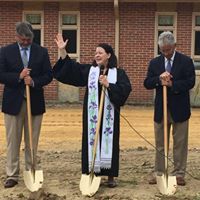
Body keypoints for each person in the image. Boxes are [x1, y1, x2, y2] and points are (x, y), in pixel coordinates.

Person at [53, 34, 132, 187]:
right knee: (91, 139)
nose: (96, 55)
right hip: (92, 115)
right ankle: (91, 171)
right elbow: (72, 70)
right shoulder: (91, 71)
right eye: (95, 53)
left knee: (110, 141)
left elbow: (125, 90)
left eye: (100, 52)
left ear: (109, 55)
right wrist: (63, 51)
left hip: (110, 117)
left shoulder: (119, 73)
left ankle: (110, 175)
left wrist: (109, 85)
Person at [0, 21, 53, 188]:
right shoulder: (5, 52)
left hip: (35, 102)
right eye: (22, 39)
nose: (25, 42)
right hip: (13, 103)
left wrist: (34, 81)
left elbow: (48, 75)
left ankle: (31, 170)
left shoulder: (41, 52)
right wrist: (19, 76)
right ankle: (12, 175)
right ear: (16, 36)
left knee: (32, 141)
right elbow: (1, 75)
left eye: (28, 40)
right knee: (13, 140)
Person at [144, 31, 195, 186]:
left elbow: (190, 82)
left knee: (180, 143)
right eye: (163, 50)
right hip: (161, 110)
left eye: (168, 50)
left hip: (180, 110)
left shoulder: (186, 61)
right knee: (160, 143)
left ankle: (179, 173)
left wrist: (173, 84)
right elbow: (147, 82)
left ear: (174, 46)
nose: (166, 53)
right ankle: (159, 172)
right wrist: (159, 80)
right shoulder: (155, 63)